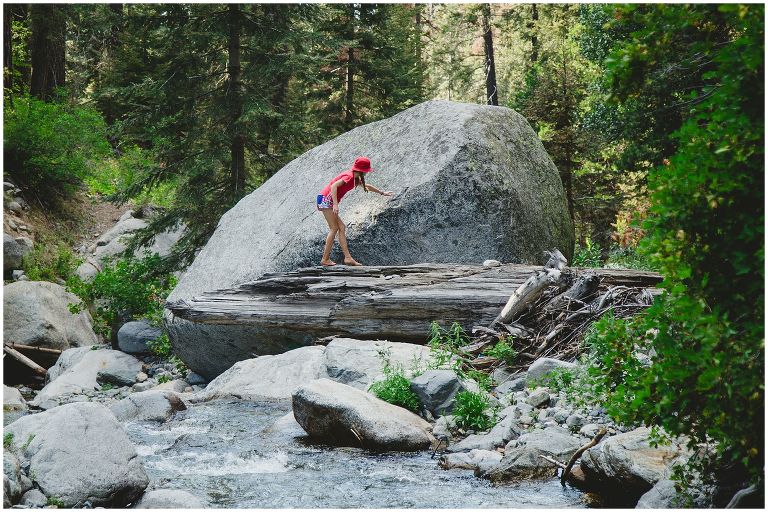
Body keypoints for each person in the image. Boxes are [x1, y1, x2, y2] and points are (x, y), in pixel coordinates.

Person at [316, 156, 392, 266]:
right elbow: (334, 186)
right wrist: (335, 205)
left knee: (341, 227)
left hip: (326, 200)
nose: (367, 173)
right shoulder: (349, 176)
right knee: (334, 228)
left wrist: (381, 192)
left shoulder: (355, 179)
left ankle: (348, 258)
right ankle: (325, 259)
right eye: (366, 171)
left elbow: (367, 187)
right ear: (362, 170)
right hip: (325, 200)